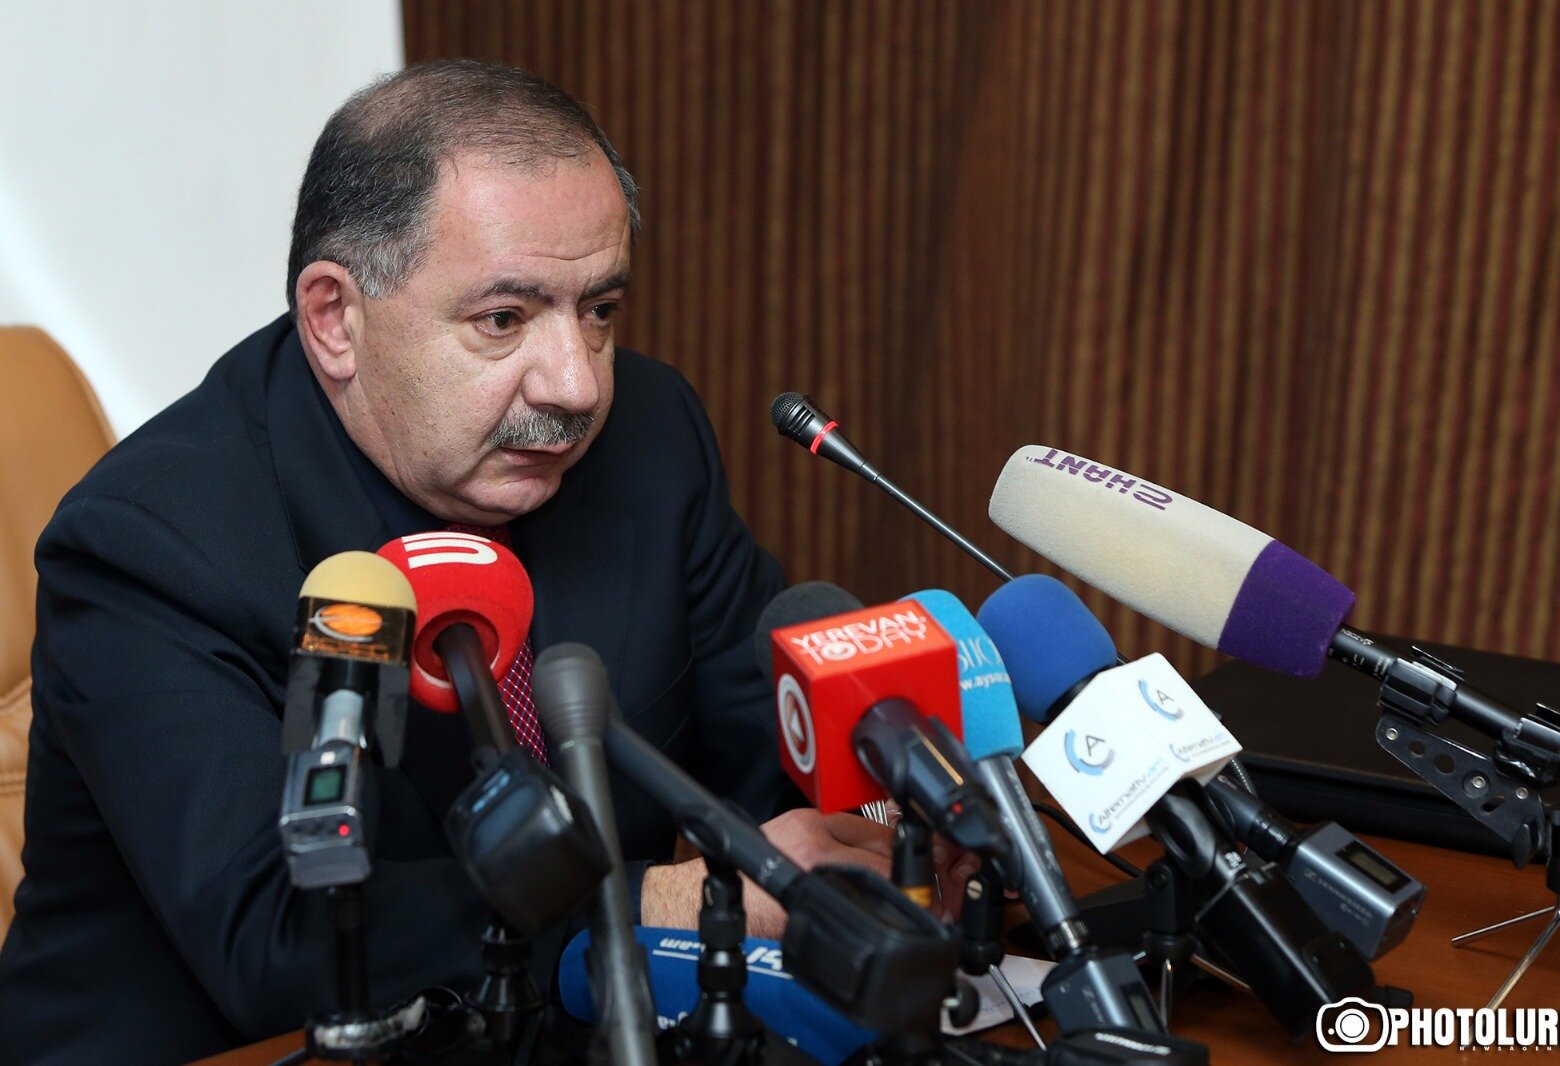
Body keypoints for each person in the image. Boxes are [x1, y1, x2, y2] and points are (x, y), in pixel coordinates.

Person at [0, 60, 973, 1063]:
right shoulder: (154, 543)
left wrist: (898, 816)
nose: (576, 385)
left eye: (599, 310)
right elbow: (279, 939)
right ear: (335, 319)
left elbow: (769, 747)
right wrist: (680, 898)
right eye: (503, 320)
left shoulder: (647, 439)